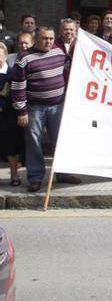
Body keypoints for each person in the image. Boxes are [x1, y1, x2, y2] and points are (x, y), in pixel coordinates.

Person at [11, 26, 82, 192]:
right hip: (35, 108)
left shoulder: (59, 52)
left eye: (50, 38)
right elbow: (17, 87)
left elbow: (72, 67)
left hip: (58, 105)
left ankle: (63, 173)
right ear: (36, 39)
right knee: (34, 143)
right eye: (44, 38)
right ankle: (35, 178)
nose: (48, 42)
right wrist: (21, 111)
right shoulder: (24, 58)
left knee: (60, 141)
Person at [0, 42, 25, 186]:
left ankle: (14, 176)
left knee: (11, 148)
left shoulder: (13, 73)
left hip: (8, 116)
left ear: (5, 55)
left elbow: (18, 94)